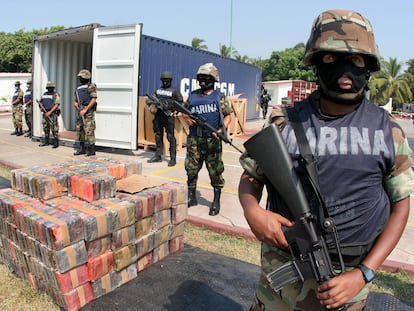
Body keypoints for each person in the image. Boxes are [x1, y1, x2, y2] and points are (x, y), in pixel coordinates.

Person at [238, 9, 414, 311]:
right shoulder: (284, 123)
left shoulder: (389, 131)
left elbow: (401, 206)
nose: (346, 70)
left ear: (369, 67)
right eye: (332, 59)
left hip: (346, 282)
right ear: (317, 63)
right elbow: (251, 178)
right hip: (278, 280)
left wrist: (364, 273)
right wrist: (253, 211)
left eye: (357, 60)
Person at [182, 63, 233, 216]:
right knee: (191, 170)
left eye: (206, 79)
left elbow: (228, 115)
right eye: (200, 79)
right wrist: (187, 119)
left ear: (213, 79)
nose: (202, 82)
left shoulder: (219, 97)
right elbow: (184, 111)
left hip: (212, 141)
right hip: (194, 140)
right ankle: (191, 196)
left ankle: (216, 201)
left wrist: (220, 130)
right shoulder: (192, 95)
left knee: (215, 173)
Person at [146, 71, 183, 167]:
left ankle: (173, 158)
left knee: (170, 137)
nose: (165, 82)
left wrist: (172, 109)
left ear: (170, 80)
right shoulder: (158, 90)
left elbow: (180, 103)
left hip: (168, 116)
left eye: (167, 80)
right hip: (158, 116)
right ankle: (158, 156)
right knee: (158, 135)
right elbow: (150, 100)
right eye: (163, 80)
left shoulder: (175, 90)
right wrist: (152, 103)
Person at [73, 69, 98, 157]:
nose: (80, 79)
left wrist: (85, 109)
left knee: (89, 129)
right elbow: (76, 100)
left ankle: (91, 149)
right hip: (80, 110)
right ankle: (82, 148)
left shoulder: (91, 86)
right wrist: (76, 105)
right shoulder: (78, 88)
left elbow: (94, 99)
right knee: (80, 130)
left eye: (81, 77)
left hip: (88, 111)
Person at [38, 81, 60, 148]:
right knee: (45, 127)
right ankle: (46, 141)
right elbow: (40, 102)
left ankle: (56, 142)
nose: (50, 89)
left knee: (54, 128)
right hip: (45, 113)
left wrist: (50, 112)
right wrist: (40, 108)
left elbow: (57, 104)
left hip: (52, 114)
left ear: (53, 88)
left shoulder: (56, 95)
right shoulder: (44, 94)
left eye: (51, 87)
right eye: (48, 87)